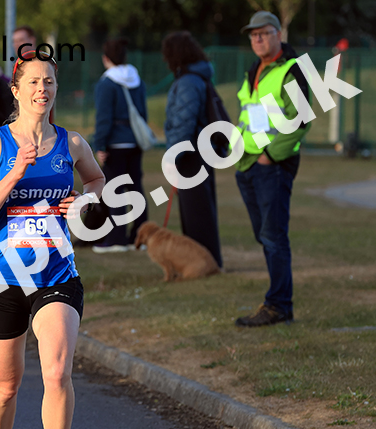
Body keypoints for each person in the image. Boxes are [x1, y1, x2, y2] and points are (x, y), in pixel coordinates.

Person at [0, 48, 106, 429]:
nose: (42, 90)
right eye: (33, 83)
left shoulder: (72, 143)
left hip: (56, 274)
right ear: (16, 89)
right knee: (6, 386)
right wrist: (16, 175)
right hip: (5, 277)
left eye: (49, 82)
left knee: (56, 371)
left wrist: (85, 203)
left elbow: (98, 182)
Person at [234, 11, 311, 327]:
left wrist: (269, 156)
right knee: (265, 235)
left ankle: (279, 305)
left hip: (272, 165)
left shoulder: (292, 70)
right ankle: (278, 302)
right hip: (248, 164)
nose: (257, 39)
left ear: (279, 34)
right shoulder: (254, 70)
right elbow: (246, 114)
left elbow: (300, 120)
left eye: (263, 33)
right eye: (253, 35)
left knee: (273, 236)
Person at [161, 32, 223, 268]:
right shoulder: (199, 77)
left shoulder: (188, 81)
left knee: (196, 212)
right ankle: (208, 260)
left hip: (190, 153)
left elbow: (184, 122)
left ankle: (204, 262)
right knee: (202, 208)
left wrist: (173, 155)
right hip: (201, 150)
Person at [89, 38, 148, 253]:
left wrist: (100, 144)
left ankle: (116, 239)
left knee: (115, 191)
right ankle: (140, 236)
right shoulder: (137, 79)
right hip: (135, 141)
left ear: (106, 58)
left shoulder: (107, 83)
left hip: (115, 143)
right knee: (136, 190)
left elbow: (104, 118)